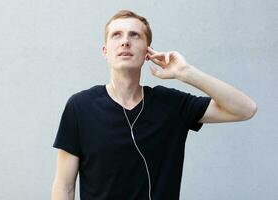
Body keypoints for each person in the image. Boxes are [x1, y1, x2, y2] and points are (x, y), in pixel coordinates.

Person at [51, 10, 257, 200]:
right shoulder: (80, 107)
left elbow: (245, 109)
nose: (125, 42)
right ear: (105, 51)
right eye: (116, 35)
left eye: (134, 35)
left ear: (147, 51)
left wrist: (186, 72)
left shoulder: (172, 104)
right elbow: (64, 185)